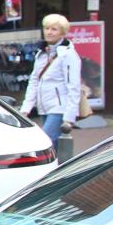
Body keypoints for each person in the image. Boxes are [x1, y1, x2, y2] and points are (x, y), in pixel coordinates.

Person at [21, 13, 83, 143]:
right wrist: (26, 109)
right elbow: (34, 81)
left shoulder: (68, 54)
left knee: (45, 142)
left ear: (62, 33)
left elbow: (73, 85)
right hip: (43, 106)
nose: (49, 32)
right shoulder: (41, 53)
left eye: (54, 29)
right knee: (52, 146)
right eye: (47, 28)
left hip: (59, 108)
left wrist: (69, 118)